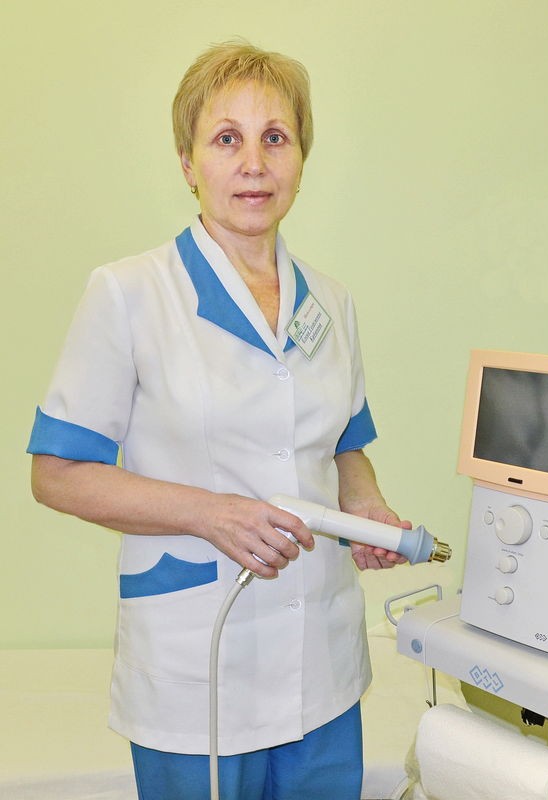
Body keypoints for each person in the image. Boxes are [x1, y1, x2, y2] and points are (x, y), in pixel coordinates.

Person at [27, 41, 409, 800]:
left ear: (301, 159)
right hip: (197, 660)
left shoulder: (330, 303)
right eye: (227, 138)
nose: (254, 163)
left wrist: (365, 505)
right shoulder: (128, 294)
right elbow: (57, 474)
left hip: (323, 657)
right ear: (188, 163)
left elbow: (345, 444)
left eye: (276, 137)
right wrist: (212, 515)